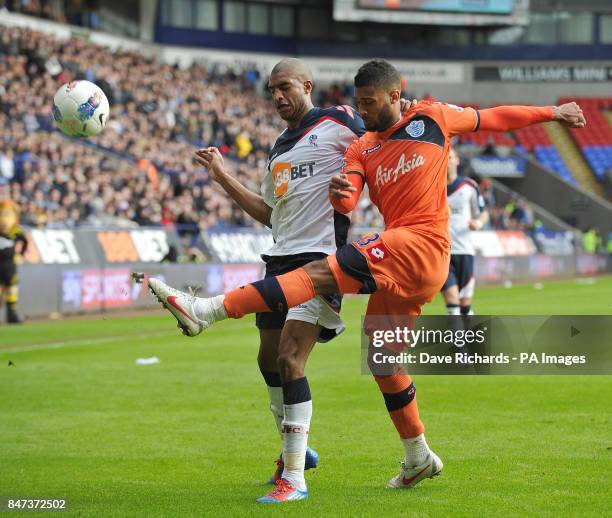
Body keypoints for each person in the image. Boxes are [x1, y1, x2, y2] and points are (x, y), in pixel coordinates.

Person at [146, 59, 586, 499]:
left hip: (421, 243)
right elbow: (350, 190)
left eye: (369, 103)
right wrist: (343, 194)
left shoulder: (430, 116)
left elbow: (494, 118)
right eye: (359, 104)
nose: (363, 112)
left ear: (395, 96)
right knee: (382, 361)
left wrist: (553, 112)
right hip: (401, 268)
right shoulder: (363, 147)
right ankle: (419, 455)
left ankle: (206, 310)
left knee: (321, 275)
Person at [195, 58, 367, 503]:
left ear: (307, 85)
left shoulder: (341, 120)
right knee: (267, 362)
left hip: (320, 261)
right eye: (272, 90)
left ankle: (294, 477)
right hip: (278, 259)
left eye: (284, 87)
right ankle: (298, 450)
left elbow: (381, 144)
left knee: (292, 360)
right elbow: (272, 215)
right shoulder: (277, 149)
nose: (277, 96)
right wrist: (223, 178)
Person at [441, 147, 489, 317]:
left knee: (465, 306)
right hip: (442, 253)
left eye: (450, 157)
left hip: (465, 250)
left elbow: (483, 212)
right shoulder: (431, 187)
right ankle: (456, 343)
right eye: (443, 157)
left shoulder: (469, 186)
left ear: (457, 160)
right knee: (452, 300)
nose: (446, 160)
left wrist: (478, 222)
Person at [0, 199, 28, 323]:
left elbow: (25, 242)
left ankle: (11, 314)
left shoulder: (16, 231)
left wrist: (20, 255)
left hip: (9, 264)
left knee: (12, 287)